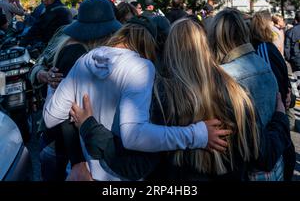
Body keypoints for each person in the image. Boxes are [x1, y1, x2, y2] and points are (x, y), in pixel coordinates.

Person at [70, 18, 291, 181]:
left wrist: (89, 126)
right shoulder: (237, 94)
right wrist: (280, 116)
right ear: (206, 47)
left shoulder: (161, 97)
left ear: (170, 50)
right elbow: (265, 156)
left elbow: (134, 166)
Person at [43, 16, 228, 181]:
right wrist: (197, 135)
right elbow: (134, 136)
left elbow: (50, 117)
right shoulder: (141, 66)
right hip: (119, 176)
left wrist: (53, 86)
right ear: (148, 43)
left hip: (88, 173)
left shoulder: (84, 61)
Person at [38, 0, 122, 181]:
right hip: (63, 150)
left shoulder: (85, 52)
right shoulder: (75, 53)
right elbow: (69, 110)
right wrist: (78, 161)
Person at [210, 8, 295, 180]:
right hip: (274, 164)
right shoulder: (263, 64)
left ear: (216, 37)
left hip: (246, 167)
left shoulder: (223, 77)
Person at [285, 10, 300, 95]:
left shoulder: (290, 31)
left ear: (296, 19)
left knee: (298, 79)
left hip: (296, 60)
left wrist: (289, 59)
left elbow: (287, 47)